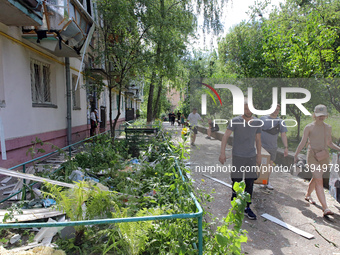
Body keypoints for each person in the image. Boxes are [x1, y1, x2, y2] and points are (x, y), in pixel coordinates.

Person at [294, 104, 340, 216]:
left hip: (324, 156)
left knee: (316, 177)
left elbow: (329, 143)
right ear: (314, 115)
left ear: (326, 115)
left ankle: (308, 195)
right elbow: (303, 142)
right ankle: (325, 208)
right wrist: (296, 154)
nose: (321, 117)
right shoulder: (309, 127)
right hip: (312, 156)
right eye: (319, 115)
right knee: (319, 180)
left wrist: (339, 148)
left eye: (323, 115)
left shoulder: (328, 127)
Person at [219, 101, 262, 220]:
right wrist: (222, 153)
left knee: (249, 182)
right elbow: (225, 136)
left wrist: (259, 155)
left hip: (251, 156)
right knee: (236, 181)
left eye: (250, 108)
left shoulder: (257, 122)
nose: (248, 110)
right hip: (238, 156)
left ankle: (247, 207)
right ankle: (235, 203)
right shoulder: (235, 121)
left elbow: (258, 140)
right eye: (245, 108)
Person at [260, 104, 288, 190]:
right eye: (275, 109)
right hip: (262, 146)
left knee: (270, 165)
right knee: (262, 165)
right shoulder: (262, 119)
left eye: (278, 110)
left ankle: (266, 181)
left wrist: (286, 147)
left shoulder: (280, 122)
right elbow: (256, 132)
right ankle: (261, 181)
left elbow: (283, 135)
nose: (276, 111)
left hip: (273, 147)